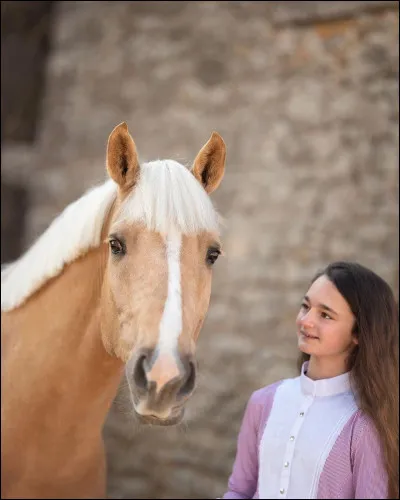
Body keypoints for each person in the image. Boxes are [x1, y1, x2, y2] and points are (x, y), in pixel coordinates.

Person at [221, 261, 399, 499]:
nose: (306, 321)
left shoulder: (364, 425)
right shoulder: (263, 402)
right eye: (306, 307)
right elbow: (239, 491)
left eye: (325, 315)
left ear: (358, 333)